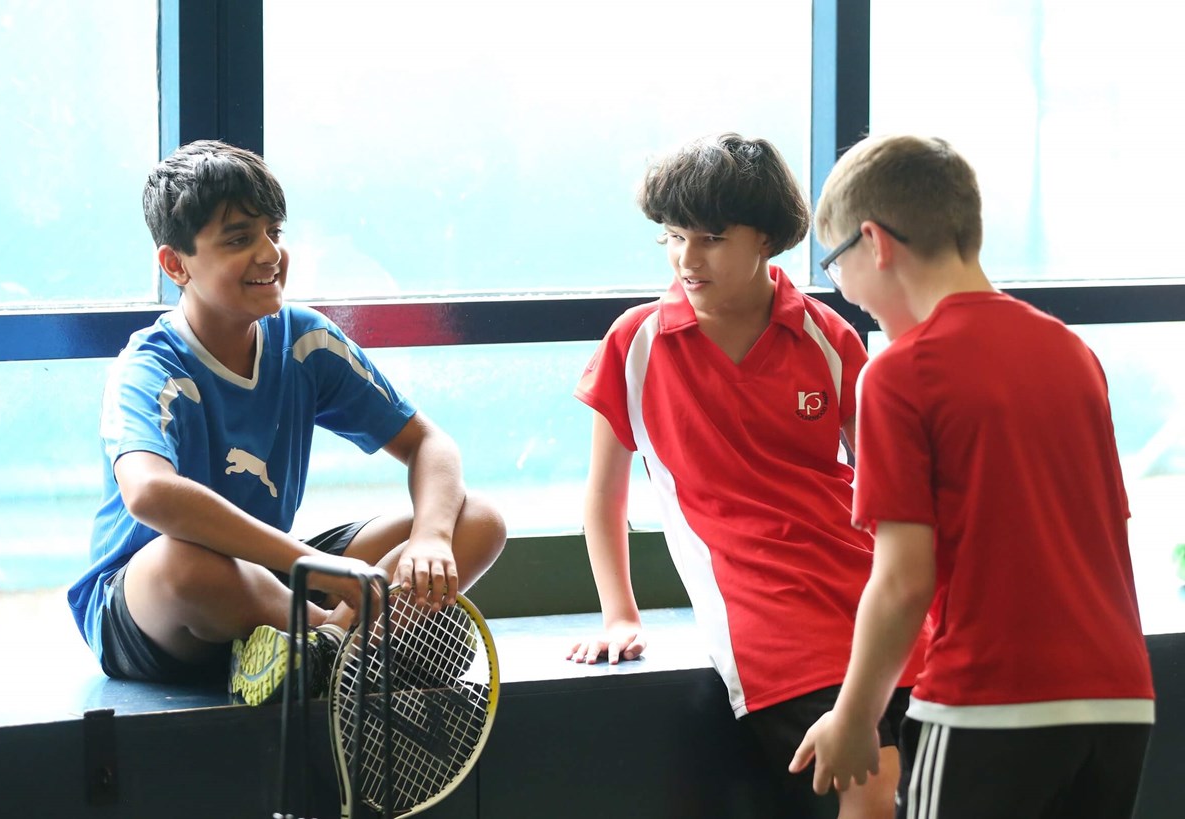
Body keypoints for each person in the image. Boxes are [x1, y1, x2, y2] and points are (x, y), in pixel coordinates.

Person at [789, 134, 1156, 818]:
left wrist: (854, 717)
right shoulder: (1071, 352)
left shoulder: (900, 373)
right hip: (1119, 701)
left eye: (833, 261)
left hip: (991, 705)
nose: (842, 288)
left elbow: (902, 580)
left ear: (875, 242)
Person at [67, 140, 506, 705]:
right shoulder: (150, 367)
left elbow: (428, 443)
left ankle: (321, 652)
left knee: (479, 520)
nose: (270, 253)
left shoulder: (304, 339)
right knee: (182, 561)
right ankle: (351, 645)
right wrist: (315, 569)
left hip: (273, 581)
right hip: (157, 608)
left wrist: (431, 539)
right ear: (176, 264)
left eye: (275, 231)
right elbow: (150, 494)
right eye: (239, 239)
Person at [569, 132, 926, 818]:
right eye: (672, 237)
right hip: (767, 621)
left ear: (766, 238)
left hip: (873, 599)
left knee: (930, 788)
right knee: (876, 793)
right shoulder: (635, 342)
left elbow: (892, 488)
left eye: (709, 237)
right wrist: (619, 612)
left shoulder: (828, 335)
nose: (686, 259)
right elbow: (605, 494)